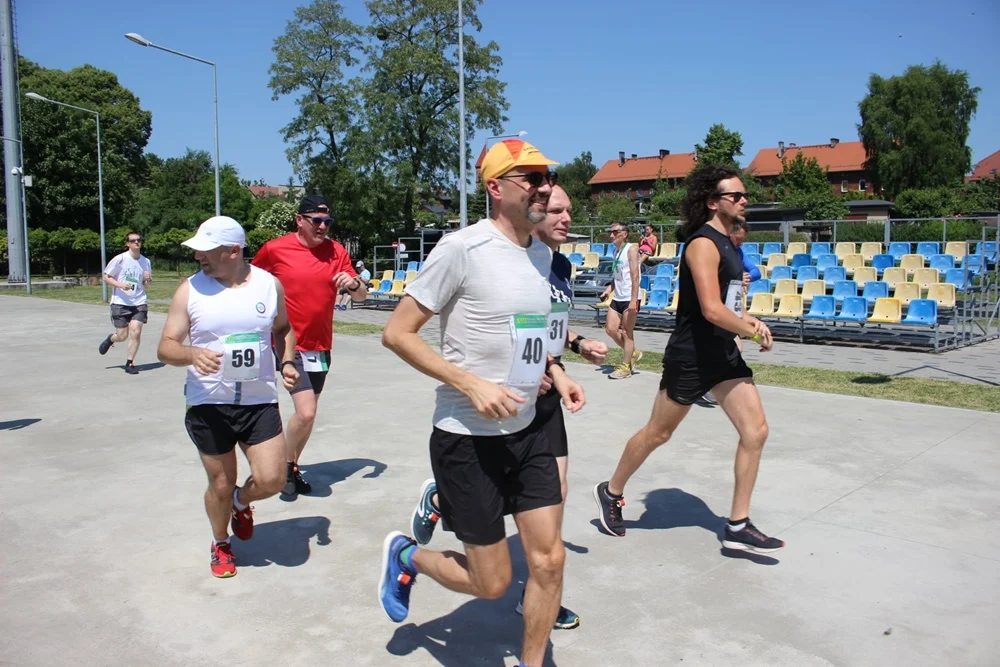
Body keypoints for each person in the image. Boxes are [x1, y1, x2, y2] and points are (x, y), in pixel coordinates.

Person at [377, 139, 585, 667]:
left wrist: (555, 372)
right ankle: (408, 555)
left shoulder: (543, 256)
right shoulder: (461, 249)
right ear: (495, 187)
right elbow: (398, 333)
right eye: (530, 178)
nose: (543, 187)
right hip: (467, 438)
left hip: (531, 431)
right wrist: (470, 383)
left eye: (546, 177)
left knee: (549, 561)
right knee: (492, 583)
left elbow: (528, 334)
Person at [407, 185, 608, 631]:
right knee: (496, 552)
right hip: (498, 404)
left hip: (542, 395)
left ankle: (540, 593)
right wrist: (495, 378)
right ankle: (441, 499)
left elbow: (545, 329)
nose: (564, 218)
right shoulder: (483, 253)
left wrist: (564, 360)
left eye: (568, 210)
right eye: (555, 209)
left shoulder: (555, 263)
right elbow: (506, 327)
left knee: (554, 506)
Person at [594, 164, 785, 554]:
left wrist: (750, 321)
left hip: (723, 355)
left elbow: (728, 305)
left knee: (756, 432)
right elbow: (711, 310)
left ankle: (738, 523)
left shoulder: (731, 245)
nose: (744, 200)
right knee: (658, 433)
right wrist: (748, 331)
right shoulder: (702, 244)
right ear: (713, 202)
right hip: (691, 356)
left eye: (745, 195)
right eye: (736, 195)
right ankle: (611, 491)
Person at [156, 216, 300, 578]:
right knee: (220, 483)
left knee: (272, 479)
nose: (198, 257)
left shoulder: (268, 285)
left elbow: (283, 329)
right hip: (209, 402)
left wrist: (286, 361)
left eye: (206, 251)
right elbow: (166, 347)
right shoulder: (190, 290)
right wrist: (192, 354)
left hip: (258, 401)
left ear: (234, 251)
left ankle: (241, 501)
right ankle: (220, 543)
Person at [251, 195, 367, 496]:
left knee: (308, 414)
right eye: (316, 220)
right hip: (288, 343)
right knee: (306, 412)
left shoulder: (337, 251)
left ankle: (289, 467)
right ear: (300, 220)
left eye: (327, 221)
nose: (323, 226)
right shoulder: (275, 249)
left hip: (321, 345)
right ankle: (283, 466)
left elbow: (361, 296)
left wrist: (354, 284)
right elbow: (250, 282)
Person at [700, 222, 760, 405]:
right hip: (715, 307)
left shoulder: (738, 252)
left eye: (743, 239)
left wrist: (745, 277)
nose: (741, 242)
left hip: (731, 307)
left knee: (733, 347)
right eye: (738, 238)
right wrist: (736, 278)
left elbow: (756, 272)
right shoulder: (714, 250)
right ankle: (709, 385)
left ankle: (713, 385)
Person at [98, 231, 153, 374]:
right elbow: (106, 277)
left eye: (139, 240)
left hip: (139, 301)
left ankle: (130, 363)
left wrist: (148, 279)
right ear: (127, 243)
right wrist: (120, 285)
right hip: (120, 302)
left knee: (136, 332)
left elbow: (146, 285)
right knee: (122, 336)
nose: (137, 242)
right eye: (133, 240)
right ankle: (111, 339)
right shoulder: (120, 259)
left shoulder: (146, 261)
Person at [599, 222, 641, 379]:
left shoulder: (632, 249)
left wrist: (633, 300)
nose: (611, 235)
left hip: (630, 297)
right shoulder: (615, 251)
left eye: (615, 232)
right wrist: (609, 289)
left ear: (625, 233)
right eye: (610, 232)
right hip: (618, 296)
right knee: (610, 329)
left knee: (627, 332)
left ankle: (626, 367)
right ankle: (633, 353)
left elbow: (635, 276)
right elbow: (618, 275)